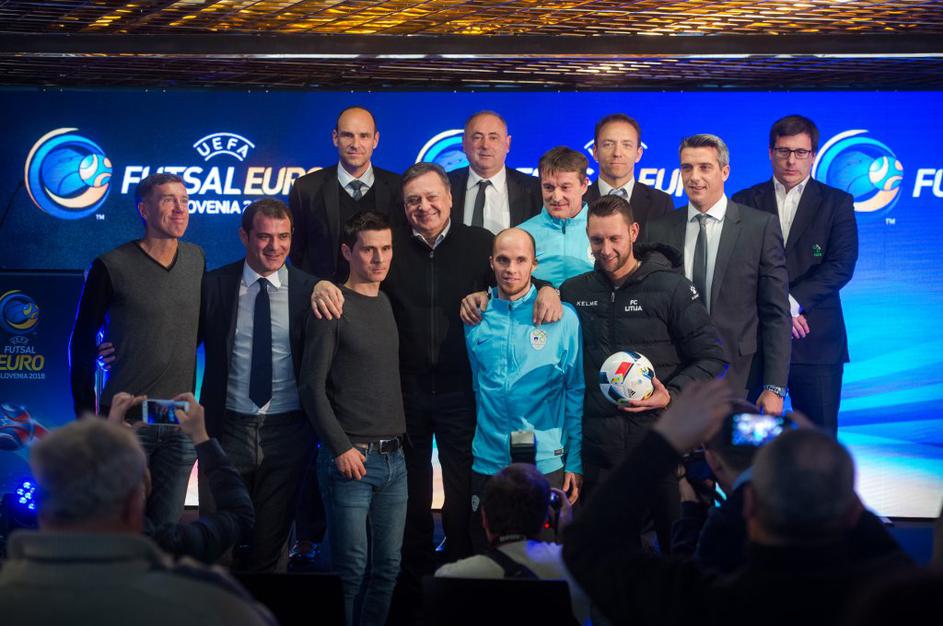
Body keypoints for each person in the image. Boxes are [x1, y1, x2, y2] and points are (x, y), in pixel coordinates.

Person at [310, 163, 562, 589]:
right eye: (413, 200)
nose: (423, 206)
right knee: (411, 497)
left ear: (450, 198)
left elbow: (518, 279)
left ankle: (459, 578)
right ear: (403, 206)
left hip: (460, 392)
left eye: (431, 197)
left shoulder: (478, 243)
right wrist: (320, 285)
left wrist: (551, 289)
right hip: (403, 394)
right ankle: (414, 586)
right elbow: (352, 281)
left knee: (460, 494)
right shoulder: (389, 249)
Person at [563, 380, 914, 626]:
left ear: (748, 507)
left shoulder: (710, 604)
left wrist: (666, 441)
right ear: (852, 511)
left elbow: (586, 546)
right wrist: (819, 454)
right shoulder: (893, 599)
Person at [559, 194, 727, 551]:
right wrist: (545, 291)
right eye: (597, 240)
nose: (605, 249)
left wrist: (671, 395)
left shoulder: (671, 287)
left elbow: (713, 357)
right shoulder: (574, 291)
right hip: (600, 458)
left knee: (677, 557)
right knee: (609, 564)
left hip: (662, 451)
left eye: (614, 238)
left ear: (633, 232)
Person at [0, 415, 275, 626]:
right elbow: (239, 514)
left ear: (41, 506)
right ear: (135, 504)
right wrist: (201, 438)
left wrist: (107, 434)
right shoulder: (212, 607)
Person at [69, 172, 203, 525]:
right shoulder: (110, 266)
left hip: (176, 422)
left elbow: (196, 330)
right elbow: (81, 342)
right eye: (168, 200)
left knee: (165, 534)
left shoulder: (197, 260)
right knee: (118, 530)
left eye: (185, 200)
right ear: (144, 210)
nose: (180, 209)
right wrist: (87, 422)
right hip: (126, 420)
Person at [199, 198, 319, 571]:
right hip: (226, 428)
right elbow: (177, 339)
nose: (275, 246)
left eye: (283, 236)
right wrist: (114, 346)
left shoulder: (311, 289)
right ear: (244, 236)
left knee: (271, 553)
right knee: (217, 548)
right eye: (265, 236)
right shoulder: (214, 285)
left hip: (288, 432)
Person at [299, 211, 407, 626]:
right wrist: (340, 447)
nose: (379, 259)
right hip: (351, 461)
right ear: (348, 252)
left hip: (395, 461)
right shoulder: (331, 306)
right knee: (349, 573)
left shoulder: (387, 302)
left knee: (387, 570)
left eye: (386, 248)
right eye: (368, 249)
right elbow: (311, 388)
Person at [645, 133, 791, 414]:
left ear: (725, 172)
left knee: (735, 446)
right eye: (687, 167)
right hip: (674, 380)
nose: (694, 177)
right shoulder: (658, 229)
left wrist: (774, 387)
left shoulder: (759, 228)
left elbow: (776, 314)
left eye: (705, 167)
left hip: (742, 377)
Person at [732, 115, 859, 434]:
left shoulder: (836, 203)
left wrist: (790, 304)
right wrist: (776, 310)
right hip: (757, 342)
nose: (791, 160)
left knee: (819, 442)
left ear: (813, 155)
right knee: (747, 443)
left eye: (800, 152)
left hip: (815, 340)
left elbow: (841, 265)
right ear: (770, 152)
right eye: (783, 151)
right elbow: (737, 268)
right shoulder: (744, 201)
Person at [464, 227, 584, 551]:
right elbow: (477, 386)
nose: (511, 269)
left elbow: (575, 390)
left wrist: (574, 460)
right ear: (491, 262)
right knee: (486, 558)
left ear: (534, 264)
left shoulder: (563, 317)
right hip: (488, 460)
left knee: (544, 559)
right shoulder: (475, 317)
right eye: (503, 260)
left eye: (520, 260)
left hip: (545, 461)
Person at [107, 392, 255, 565]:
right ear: (140, 495)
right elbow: (240, 514)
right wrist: (201, 437)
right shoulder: (170, 545)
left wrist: (110, 443)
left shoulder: (79, 540)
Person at [436, 464, 592, 626]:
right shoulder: (577, 572)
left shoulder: (450, 577)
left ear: (484, 519)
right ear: (546, 520)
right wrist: (565, 532)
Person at [289, 105, 402, 282]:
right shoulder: (306, 189)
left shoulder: (398, 188)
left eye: (364, 136)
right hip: (322, 296)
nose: (355, 144)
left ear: (375, 140)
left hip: (383, 295)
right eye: (348, 135)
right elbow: (296, 251)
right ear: (335, 138)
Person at [447, 110, 542, 233]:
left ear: (507, 144)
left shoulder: (534, 189)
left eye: (493, 138)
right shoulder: (446, 185)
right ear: (464, 143)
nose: (485, 145)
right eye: (477, 137)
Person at [584, 113, 674, 234]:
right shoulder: (578, 200)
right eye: (608, 144)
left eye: (626, 145)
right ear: (595, 152)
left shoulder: (661, 203)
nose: (617, 153)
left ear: (638, 154)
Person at [517, 146, 594, 287]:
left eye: (565, 187)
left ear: (584, 186)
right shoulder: (521, 234)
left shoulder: (603, 231)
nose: (556, 197)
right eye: (548, 187)